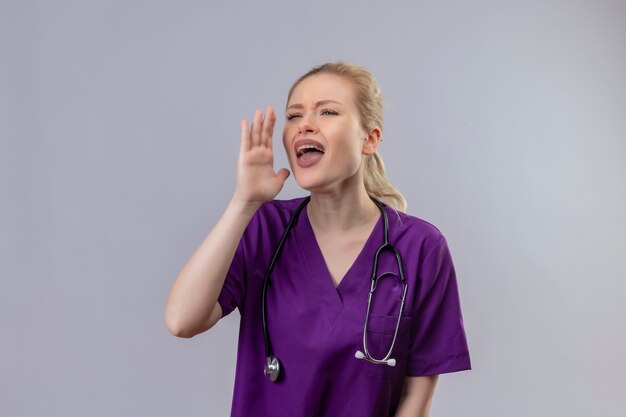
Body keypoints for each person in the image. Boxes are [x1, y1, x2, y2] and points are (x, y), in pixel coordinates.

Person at [164, 62, 471, 417]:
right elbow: (181, 320)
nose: (305, 124)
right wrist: (243, 202)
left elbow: (416, 399)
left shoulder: (420, 247)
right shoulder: (263, 228)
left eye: (327, 111)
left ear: (370, 139)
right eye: (294, 115)